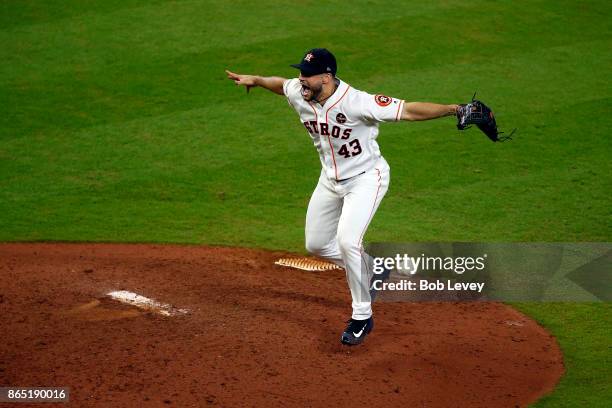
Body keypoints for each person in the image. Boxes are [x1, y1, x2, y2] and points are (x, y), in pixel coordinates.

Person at [226, 48, 460, 345]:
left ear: (327, 77)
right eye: (300, 74)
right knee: (316, 244)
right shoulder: (300, 91)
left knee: (348, 241)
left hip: (366, 179)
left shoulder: (357, 102)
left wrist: (454, 109)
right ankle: (374, 268)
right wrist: (256, 79)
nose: (301, 81)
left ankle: (362, 316)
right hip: (330, 180)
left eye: (308, 76)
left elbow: (409, 110)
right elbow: (279, 84)